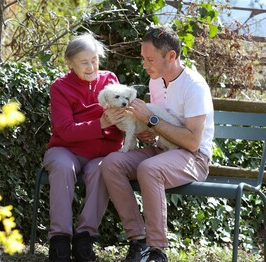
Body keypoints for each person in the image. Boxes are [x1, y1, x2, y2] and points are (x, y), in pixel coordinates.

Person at [101, 24, 214, 262]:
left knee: (149, 169)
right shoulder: (156, 81)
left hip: (194, 157)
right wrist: (146, 131)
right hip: (164, 149)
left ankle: (157, 251)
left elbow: (193, 142)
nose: (145, 65)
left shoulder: (194, 87)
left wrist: (150, 120)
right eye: (143, 59)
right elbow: (158, 128)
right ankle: (139, 241)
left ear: (171, 56)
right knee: (111, 163)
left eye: (150, 59)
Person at [43, 33, 125, 262]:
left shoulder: (110, 80)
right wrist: (100, 123)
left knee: (104, 169)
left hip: (101, 151)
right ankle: (59, 240)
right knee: (61, 166)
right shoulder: (60, 87)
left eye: (95, 60)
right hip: (65, 149)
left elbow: (122, 117)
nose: (92, 66)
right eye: (84, 61)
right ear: (70, 63)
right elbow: (65, 129)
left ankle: (84, 239)